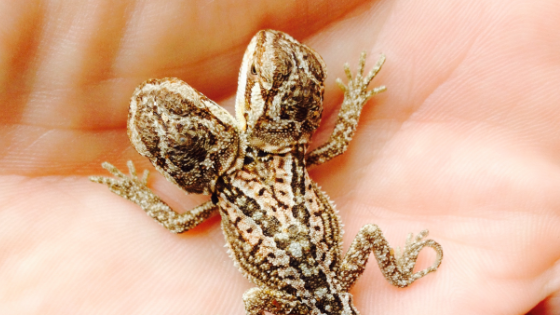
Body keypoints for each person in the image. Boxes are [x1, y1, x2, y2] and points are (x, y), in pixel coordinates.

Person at [1, 0, 558, 314]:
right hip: (320, 271)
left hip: (308, 281)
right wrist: (357, 96)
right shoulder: (271, 170)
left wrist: (135, 189)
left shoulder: (223, 200)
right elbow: (335, 146)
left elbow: (176, 221)